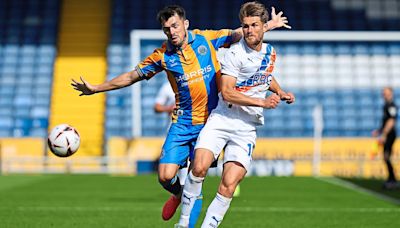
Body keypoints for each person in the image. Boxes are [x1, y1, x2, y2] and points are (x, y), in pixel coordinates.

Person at [71, 4, 290, 225]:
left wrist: (269, 25)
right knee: (165, 175)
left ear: (185, 24)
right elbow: (131, 76)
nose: (172, 32)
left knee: (200, 172)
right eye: (167, 29)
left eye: (175, 26)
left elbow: (241, 33)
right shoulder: (162, 56)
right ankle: (178, 193)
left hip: (211, 120)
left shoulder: (207, 40)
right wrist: (97, 88)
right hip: (183, 122)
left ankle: (186, 220)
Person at [176, 2, 295, 227]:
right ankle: (183, 223)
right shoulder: (233, 53)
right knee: (199, 167)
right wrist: (262, 101)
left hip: (247, 126)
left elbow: (264, 76)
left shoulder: (270, 52)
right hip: (223, 118)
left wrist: (281, 91)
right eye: (245, 26)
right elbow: (228, 92)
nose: (249, 30)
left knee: (229, 184)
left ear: (262, 27)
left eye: (254, 25)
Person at [372, 87, 398, 189]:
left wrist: (384, 134)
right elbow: (385, 121)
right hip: (387, 134)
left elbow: (391, 121)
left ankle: (392, 180)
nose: (384, 95)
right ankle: (391, 179)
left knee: (386, 156)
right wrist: (379, 130)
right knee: (386, 157)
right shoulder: (386, 106)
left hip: (390, 135)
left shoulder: (391, 106)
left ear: (391, 94)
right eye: (383, 93)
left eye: (386, 93)